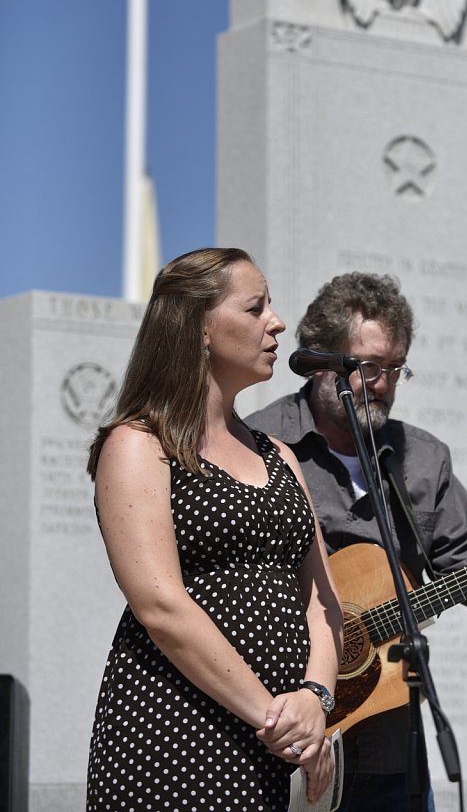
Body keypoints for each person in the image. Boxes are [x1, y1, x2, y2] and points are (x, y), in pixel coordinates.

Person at [246, 271, 467, 812]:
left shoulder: (422, 459)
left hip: (388, 742)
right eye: (369, 367)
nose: (382, 383)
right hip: (278, 730)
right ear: (322, 360)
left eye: (396, 369)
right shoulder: (258, 443)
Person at [86, 247, 344, 812]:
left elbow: (322, 600)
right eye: (255, 308)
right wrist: (276, 719)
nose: (276, 322)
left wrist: (315, 697)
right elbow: (160, 605)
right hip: (178, 736)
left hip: (284, 746)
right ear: (199, 327)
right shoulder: (137, 446)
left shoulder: (280, 456)